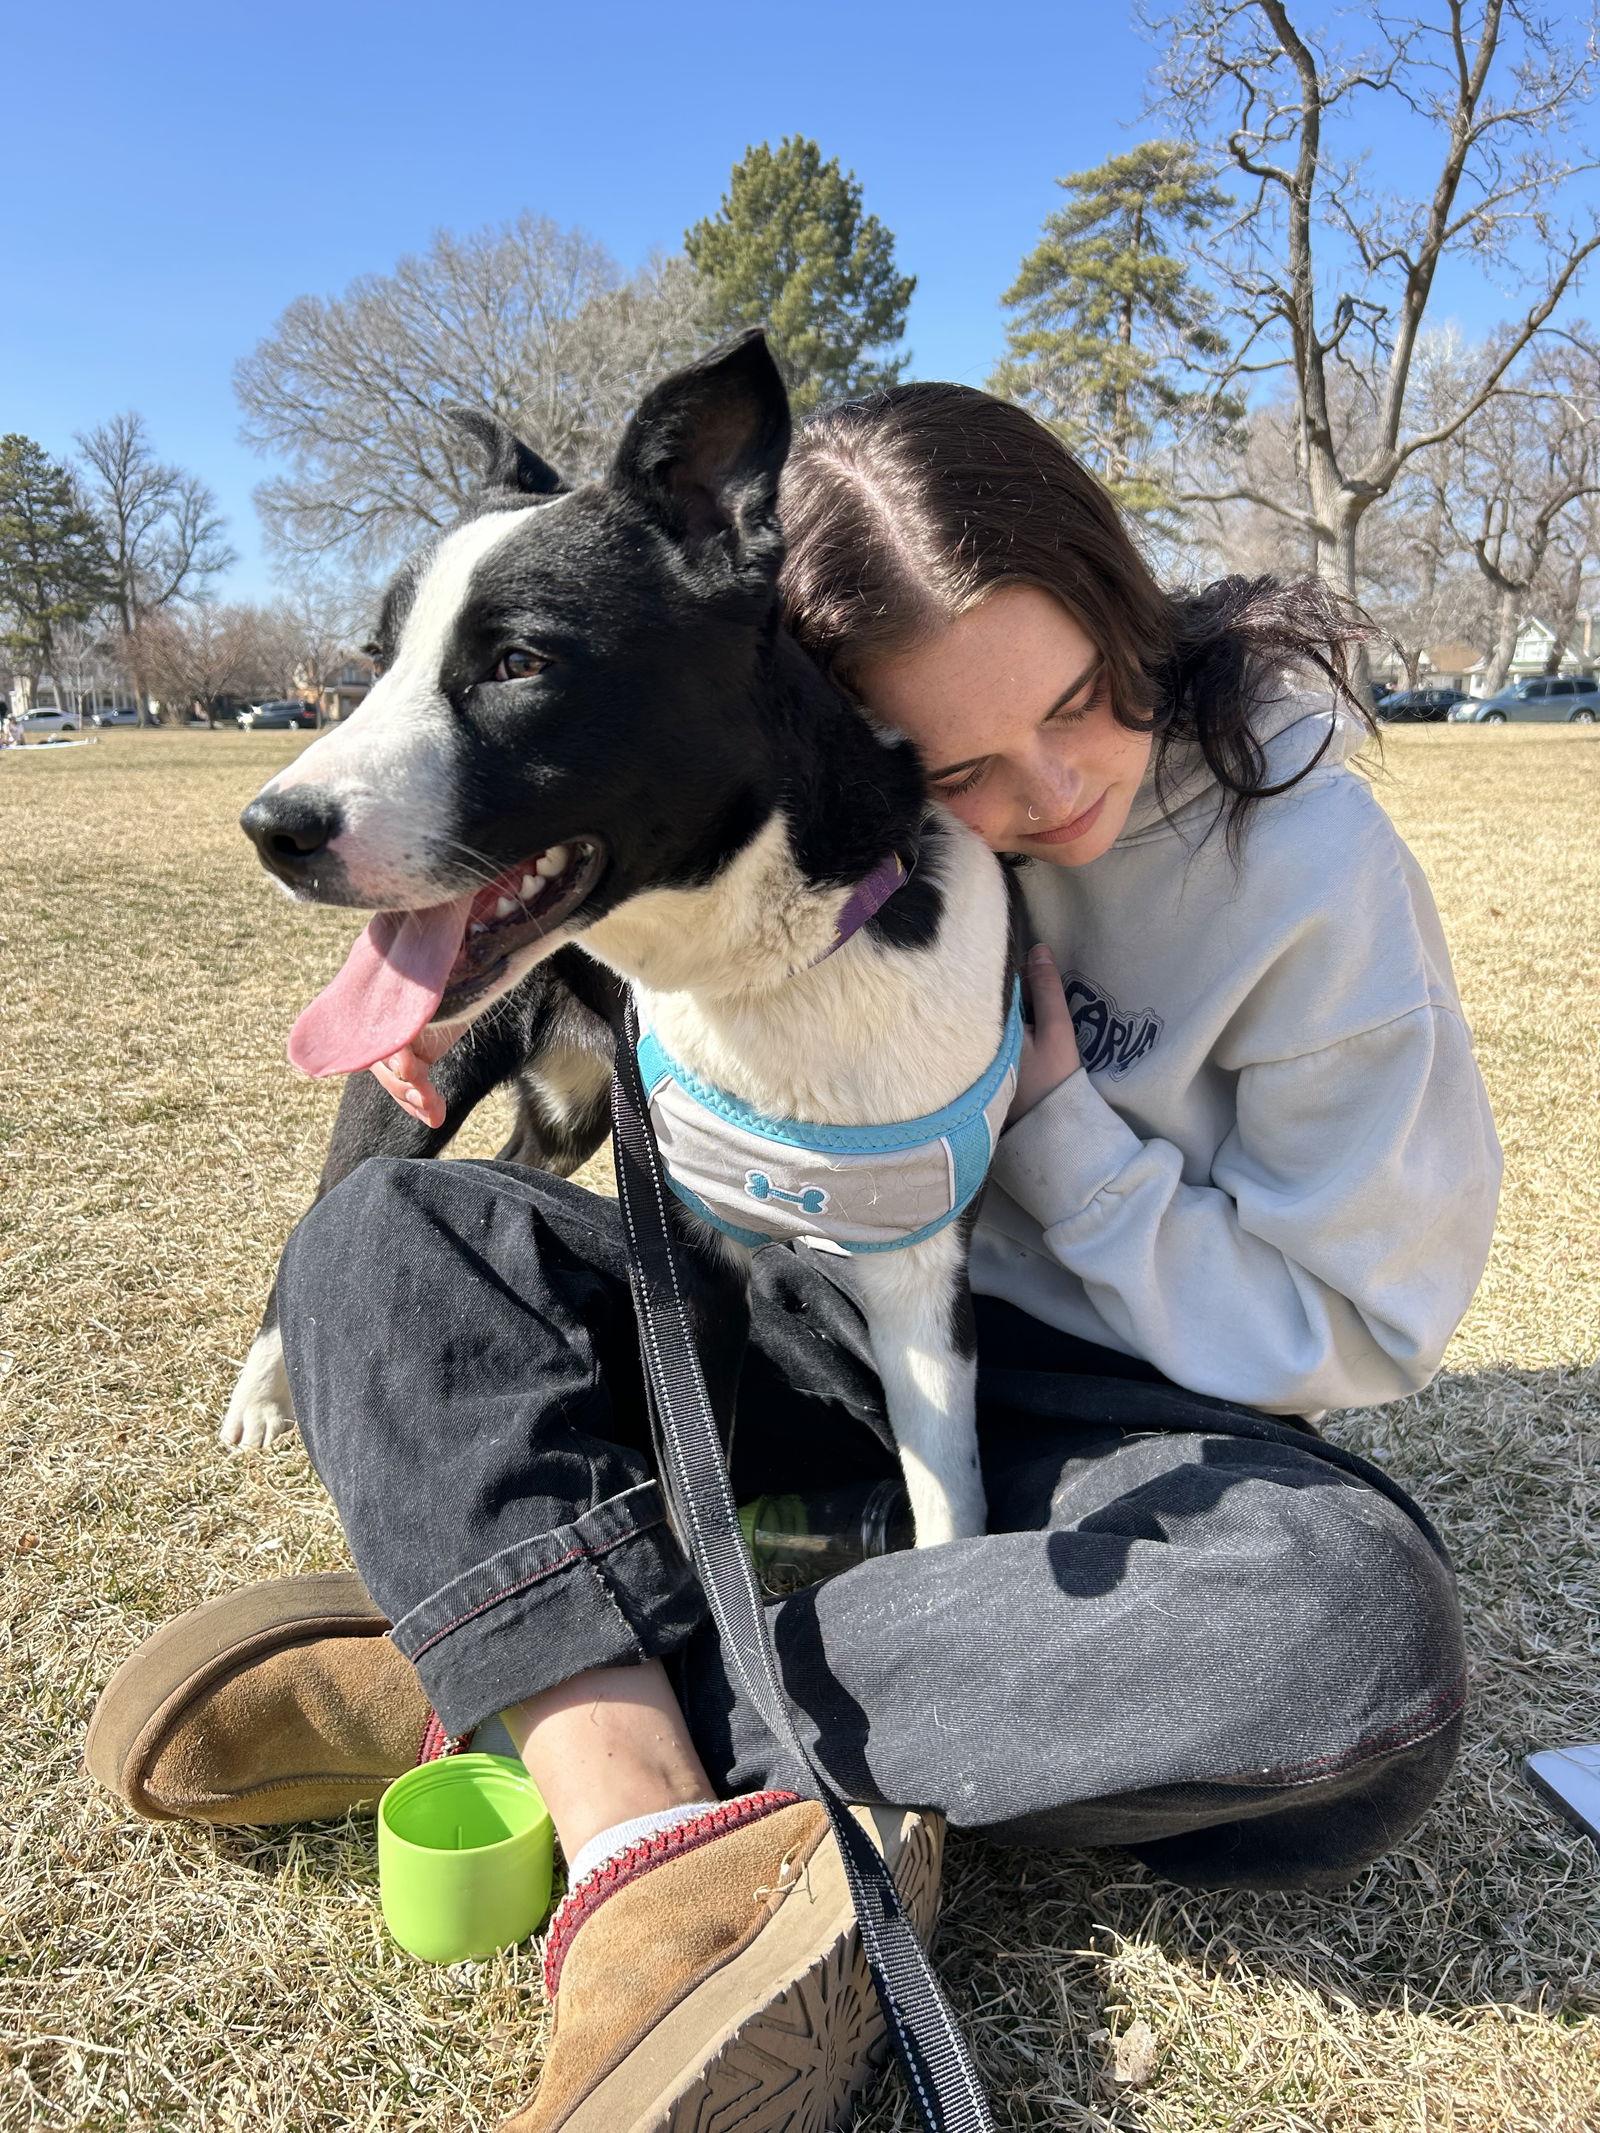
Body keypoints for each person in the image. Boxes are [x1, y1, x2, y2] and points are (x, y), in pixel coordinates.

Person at [86, 384, 1500, 2133]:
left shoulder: (1306, 864)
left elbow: (1367, 1319)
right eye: (959, 771)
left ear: (1127, 602)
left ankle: (561, 1694)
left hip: (1095, 1422)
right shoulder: (798, 806)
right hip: (781, 1347)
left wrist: (1067, 1141)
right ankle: (645, 1803)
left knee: (1349, 1635)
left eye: (1078, 700)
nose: (1041, 795)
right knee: (377, 1245)